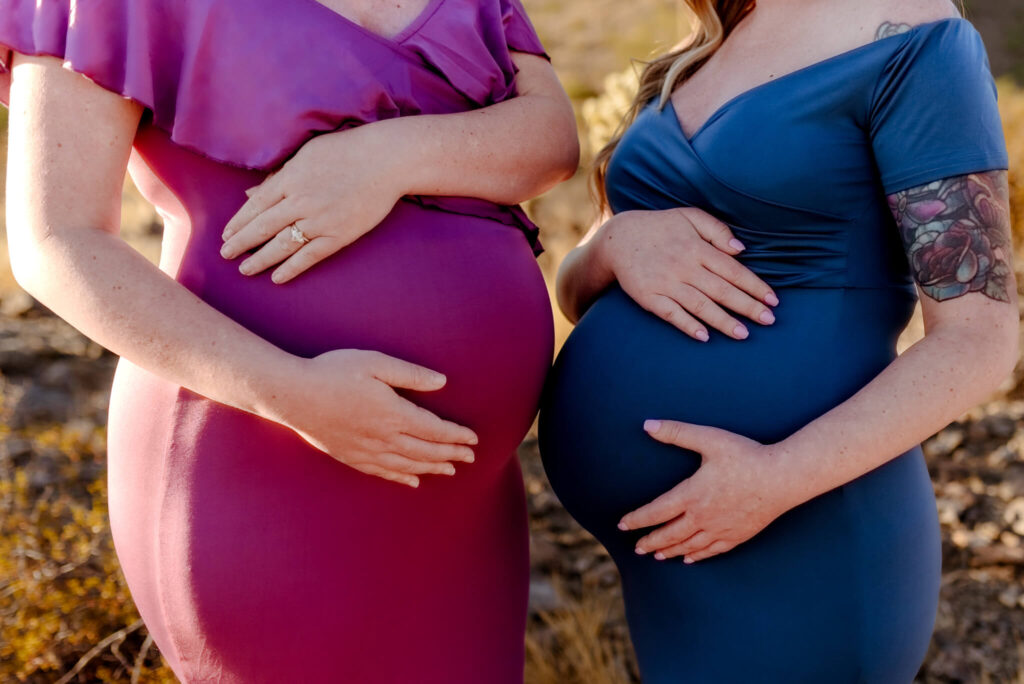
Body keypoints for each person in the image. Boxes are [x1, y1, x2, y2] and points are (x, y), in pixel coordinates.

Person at [1, 0, 578, 681]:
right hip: (258, 455)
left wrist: (384, 158)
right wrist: (290, 392)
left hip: (461, 496)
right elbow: (55, 240)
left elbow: (550, 140)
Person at [538, 0, 1016, 680]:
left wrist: (775, 479)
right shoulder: (712, 39)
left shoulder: (912, 29)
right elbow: (577, 289)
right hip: (671, 557)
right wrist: (614, 244)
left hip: (806, 530)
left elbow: (981, 340)